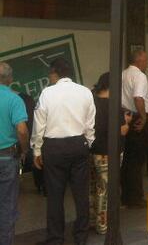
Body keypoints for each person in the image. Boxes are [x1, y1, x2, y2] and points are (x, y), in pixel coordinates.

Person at [31, 58, 95, 245]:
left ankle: (56, 238)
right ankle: (81, 237)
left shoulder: (47, 93)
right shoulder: (85, 92)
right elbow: (90, 123)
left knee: (55, 195)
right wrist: (87, 143)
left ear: (54, 73)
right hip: (79, 144)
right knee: (81, 194)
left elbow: (39, 124)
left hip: (54, 148)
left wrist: (37, 150)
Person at [89, 72, 131, 235]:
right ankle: (103, 225)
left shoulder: (91, 101)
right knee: (104, 190)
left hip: (92, 151)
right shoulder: (113, 106)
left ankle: (92, 220)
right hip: (108, 153)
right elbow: (120, 131)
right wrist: (126, 124)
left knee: (92, 188)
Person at [0, 62, 28, 245]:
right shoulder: (14, 100)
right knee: (7, 206)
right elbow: (22, 130)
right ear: (10, 79)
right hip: (7, 158)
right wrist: (24, 150)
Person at [121, 49, 148, 208]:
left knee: (127, 159)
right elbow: (138, 97)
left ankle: (126, 195)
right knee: (137, 160)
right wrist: (143, 117)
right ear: (139, 60)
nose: (147, 63)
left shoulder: (123, 74)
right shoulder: (140, 76)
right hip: (138, 118)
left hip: (126, 117)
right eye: (146, 60)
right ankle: (136, 198)